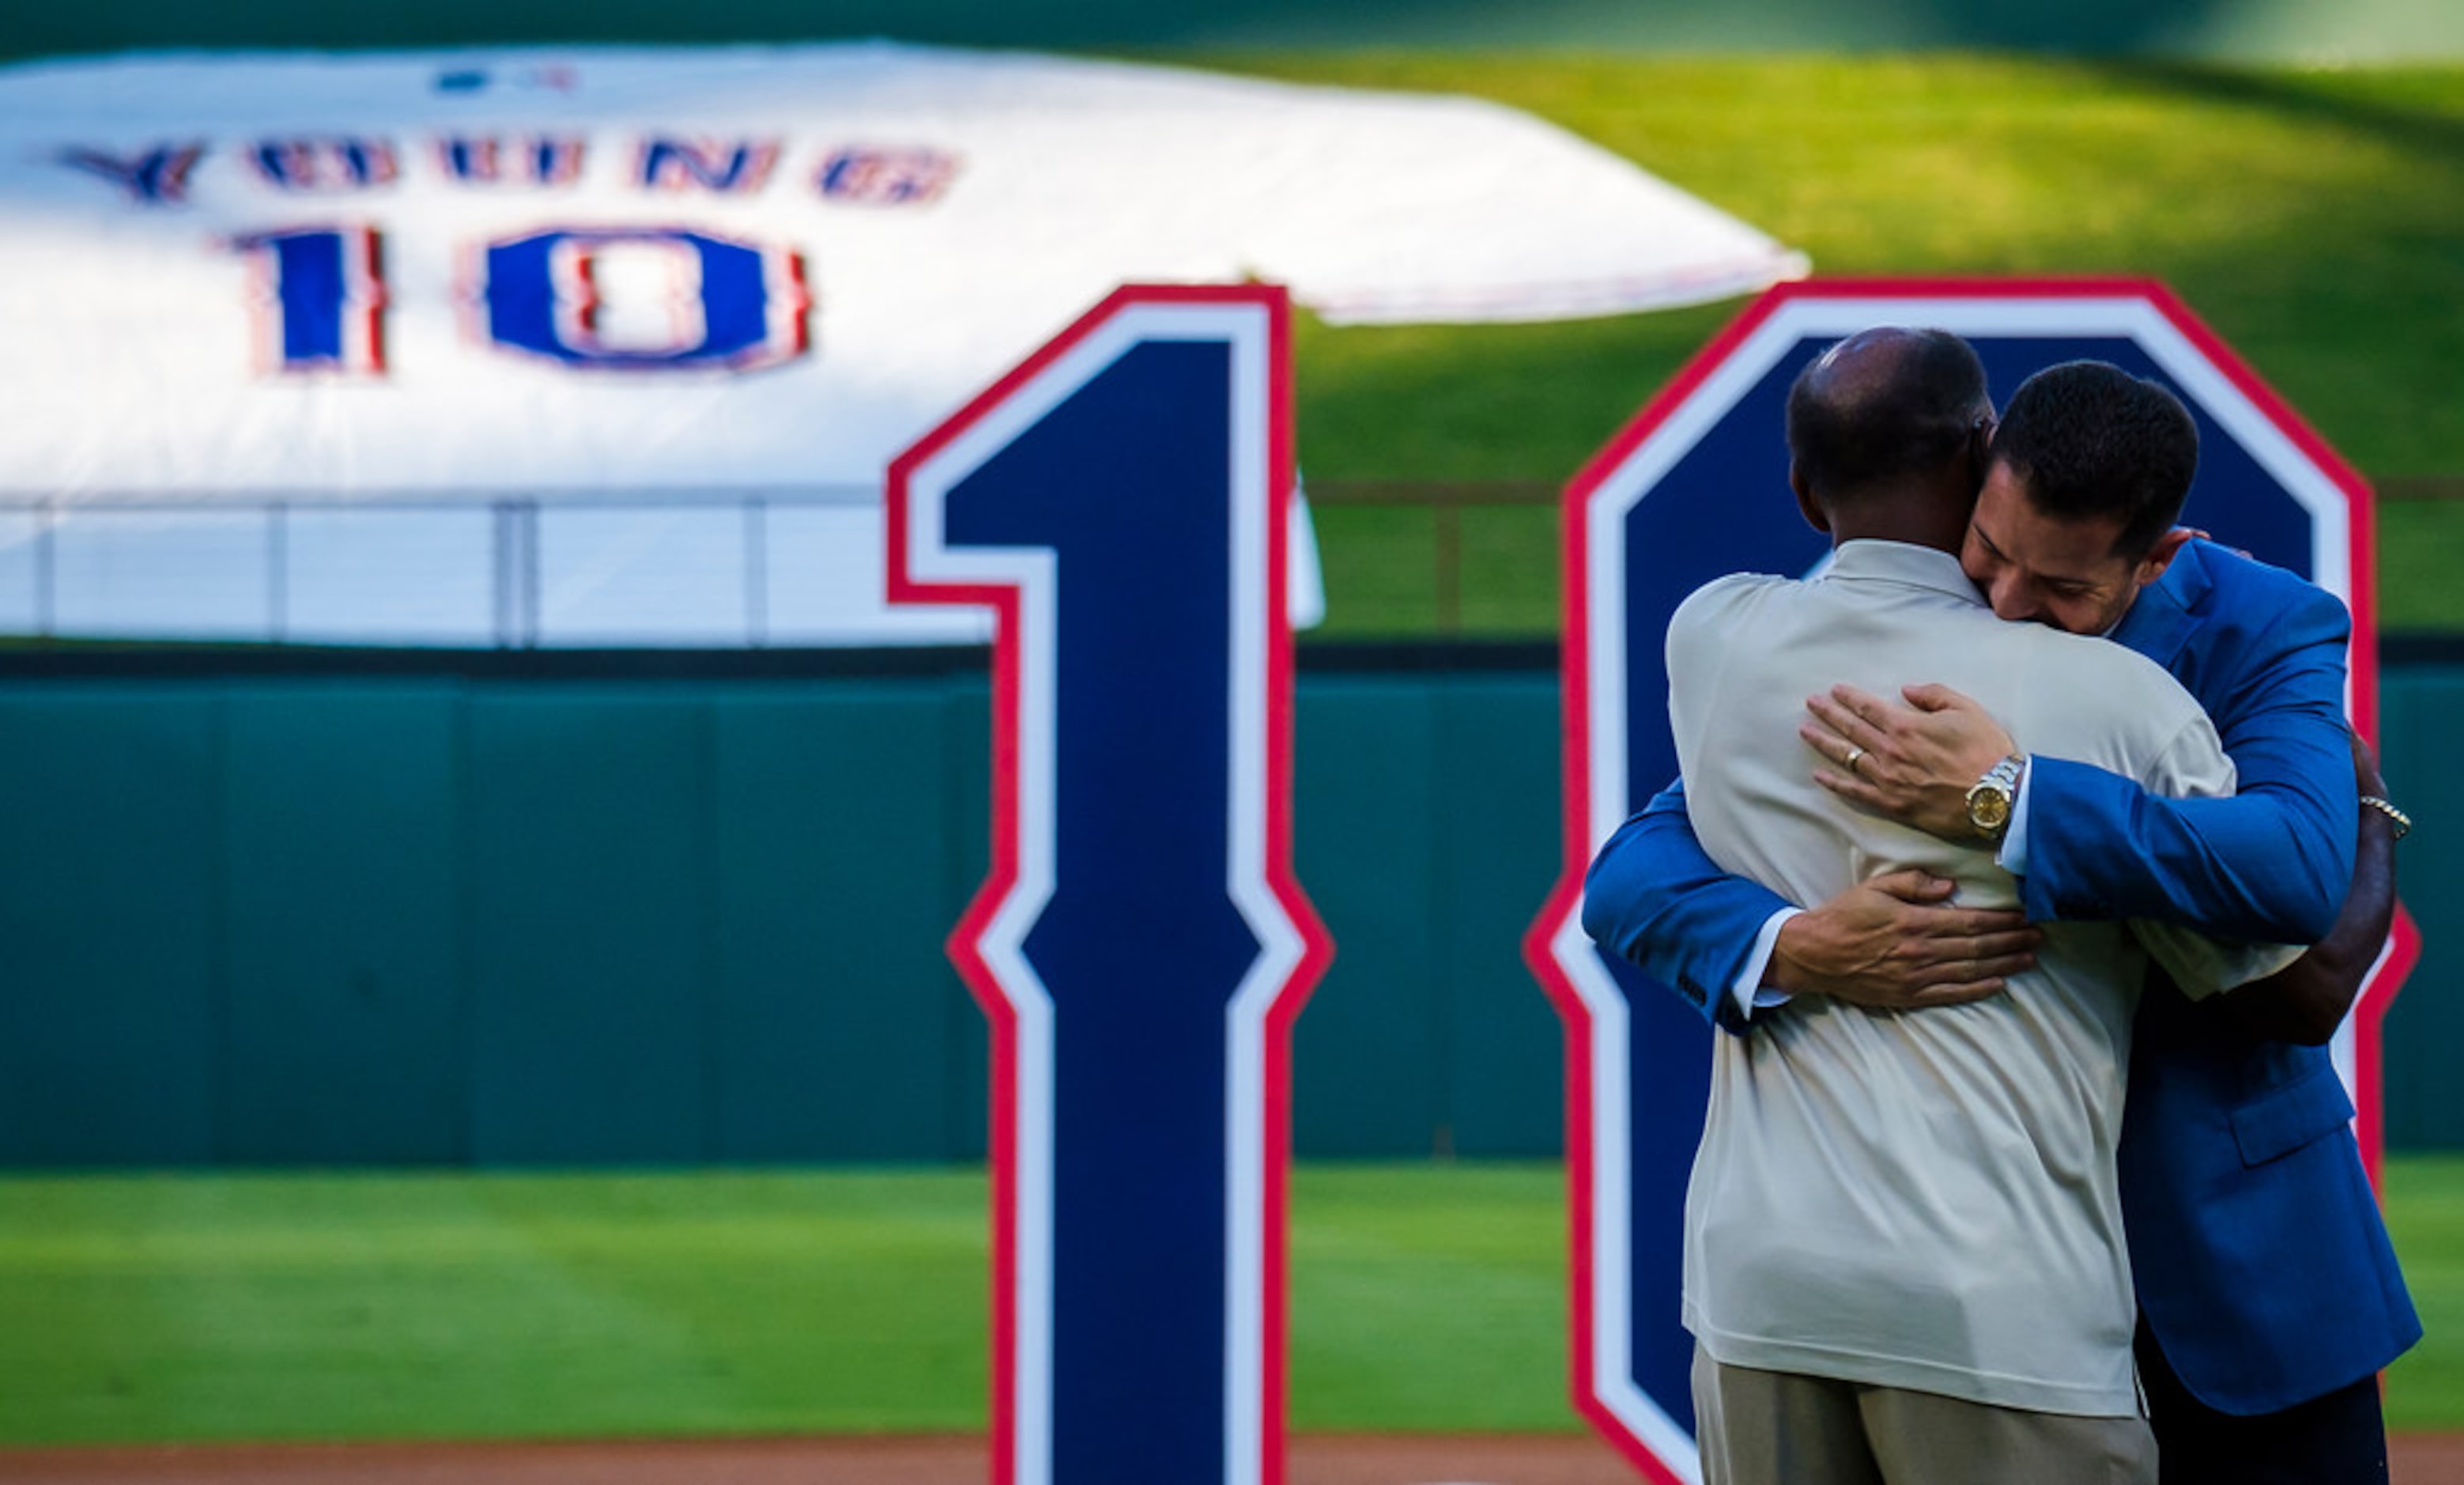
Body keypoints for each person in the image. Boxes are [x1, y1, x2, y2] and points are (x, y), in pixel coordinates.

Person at [1587, 354, 2419, 1483]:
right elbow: (1640, 858)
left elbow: (2307, 975)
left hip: (2234, 1275)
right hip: (1984, 1277)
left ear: (2155, 555)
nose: (2008, 601)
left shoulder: (2262, 625)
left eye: (2063, 587)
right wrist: (1797, 942)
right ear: (1977, 470)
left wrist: (2010, 801)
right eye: (1990, 551)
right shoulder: (1881, 621)